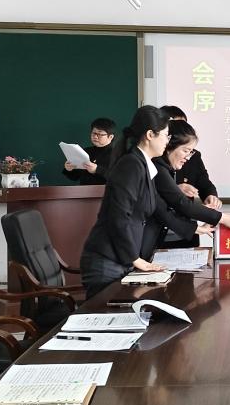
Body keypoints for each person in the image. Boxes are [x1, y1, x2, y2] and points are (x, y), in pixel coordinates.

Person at [80, 106, 188, 298]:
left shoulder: (142, 164)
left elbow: (158, 208)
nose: (167, 141)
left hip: (120, 259)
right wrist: (135, 259)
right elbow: (118, 217)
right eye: (166, 135)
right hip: (107, 261)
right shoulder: (131, 165)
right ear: (150, 135)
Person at [143, 120, 230, 255]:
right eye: (185, 151)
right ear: (168, 145)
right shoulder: (157, 167)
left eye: (190, 152)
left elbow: (164, 213)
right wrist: (224, 218)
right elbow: (182, 203)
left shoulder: (164, 167)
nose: (188, 157)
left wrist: (195, 228)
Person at [159, 105, 221, 209]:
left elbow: (204, 183)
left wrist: (211, 196)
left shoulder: (194, 156)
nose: (187, 156)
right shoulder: (155, 159)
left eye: (184, 126)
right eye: (176, 126)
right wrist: (174, 190)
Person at [62, 117, 116, 185]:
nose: (95, 137)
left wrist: (97, 170)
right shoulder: (85, 151)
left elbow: (120, 178)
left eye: (100, 134)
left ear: (110, 137)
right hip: (84, 190)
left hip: (108, 191)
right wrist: (69, 169)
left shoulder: (118, 153)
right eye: (94, 133)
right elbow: (75, 177)